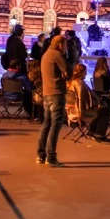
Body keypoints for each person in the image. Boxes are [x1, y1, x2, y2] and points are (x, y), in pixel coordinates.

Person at [36, 35, 70, 166]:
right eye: (65, 46)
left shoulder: (46, 55)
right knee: (56, 125)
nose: (66, 48)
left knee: (47, 123)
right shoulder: (57, 55)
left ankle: (40, 155)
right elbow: (68, 72)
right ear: (60, 45)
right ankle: (51, 156)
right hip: (56, 93)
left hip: (47, 93)